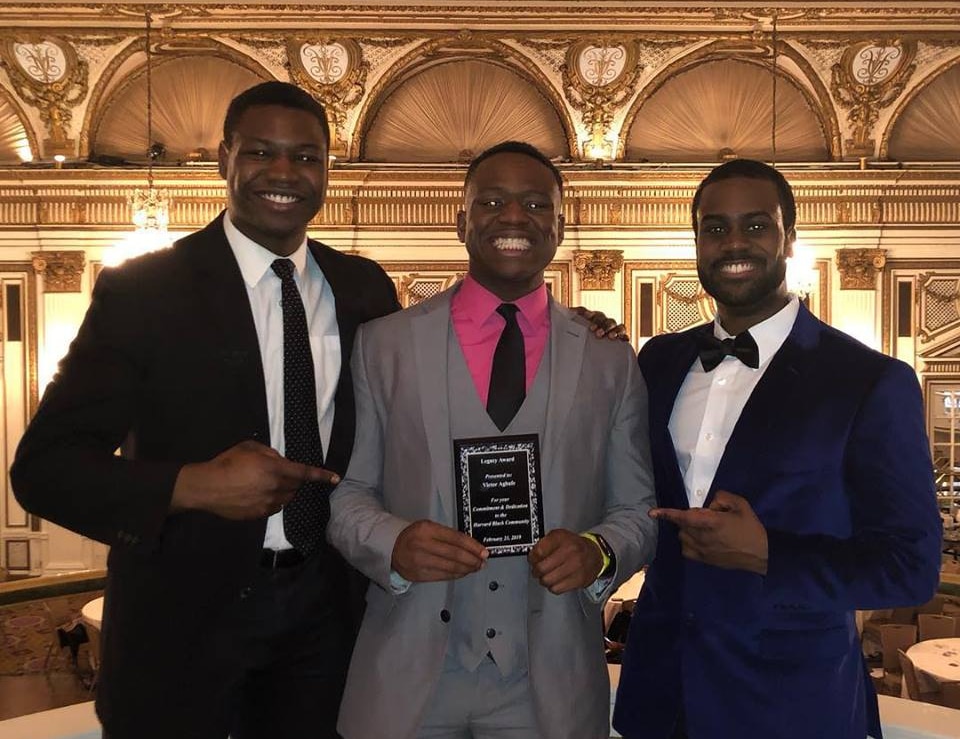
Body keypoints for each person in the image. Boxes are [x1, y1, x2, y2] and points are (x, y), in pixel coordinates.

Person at [10, 81, 402, 739]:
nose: (284, 172)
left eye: (305, 156)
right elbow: (44, 468)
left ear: (327, 170)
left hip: (328, 619)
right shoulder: (146, 290)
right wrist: (192, 485)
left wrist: (560, 323)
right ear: (224, 159)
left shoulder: (362, 287)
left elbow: (421, 398)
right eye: (260, 152)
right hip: (180, 624)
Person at [327, 140, 658, 739]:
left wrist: (599, 552)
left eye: (535, 203)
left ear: (560, 225)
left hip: (548, 682)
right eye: (493, 201)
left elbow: (637, 510)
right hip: (410, 675)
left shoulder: (609, 358)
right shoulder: (384, 344)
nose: (513, 217)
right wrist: (393, 543)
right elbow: (349, 494)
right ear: (462, 220)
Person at [612, 158, 943, 739]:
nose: (733, 242)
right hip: (661, 699)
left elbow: (911, 568)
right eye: (714, 228)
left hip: (792, 707)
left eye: (756, 225)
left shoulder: (868, 380)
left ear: (789, 238)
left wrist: (771, 555)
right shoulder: (657, 361)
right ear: (695, 242)